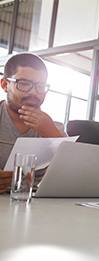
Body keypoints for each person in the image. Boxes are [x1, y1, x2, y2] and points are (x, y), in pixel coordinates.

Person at [0, 53, 67, 194]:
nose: (33, 93)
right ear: (5, 85)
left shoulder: (54, 127)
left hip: (36, 207)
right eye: (24, 84)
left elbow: (76, 174)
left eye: (40, 86)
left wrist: (53, 136)